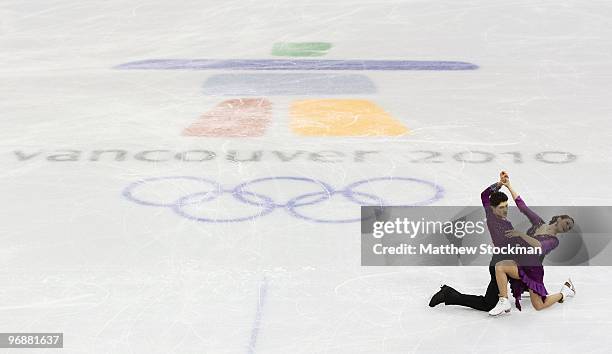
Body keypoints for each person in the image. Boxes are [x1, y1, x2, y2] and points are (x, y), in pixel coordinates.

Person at [429, 171, 516, 311]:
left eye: (506, 206)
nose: (505, 210)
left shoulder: (497, 216)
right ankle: (449, 294)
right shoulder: (494, 219)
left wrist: (500, 184)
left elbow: (484, 195)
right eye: (501, 207)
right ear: (494, 208)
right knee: (488, 304)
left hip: (503, 261)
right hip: (499, 264)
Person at [488, 180, 575, 315]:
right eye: (568, 222)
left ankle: (564, 292)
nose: (569, 226)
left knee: (539, 305)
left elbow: (538, 245)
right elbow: (522, 206)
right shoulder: (539, 223)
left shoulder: (553, 241)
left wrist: (520, 234)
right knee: (499, 266)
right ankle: (504, 301)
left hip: (533, 269)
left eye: (570, 227)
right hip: (520, 260)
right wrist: (509, 186)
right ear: (559, 218)